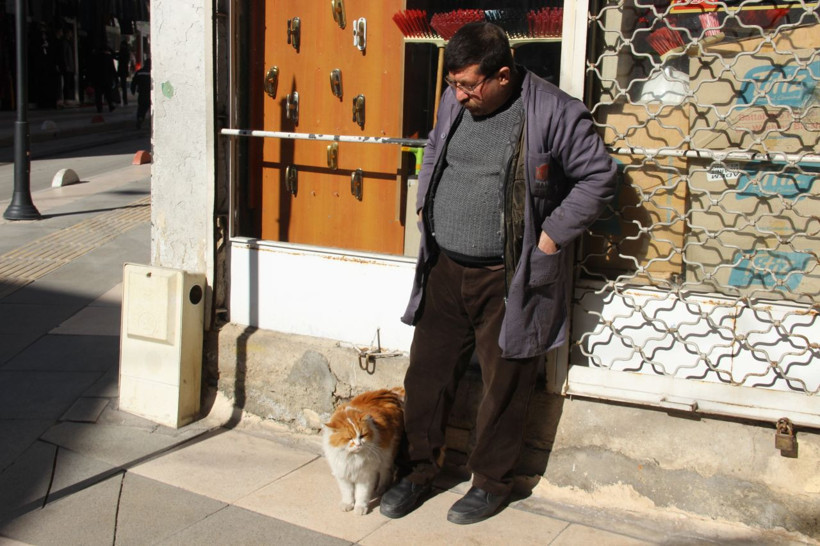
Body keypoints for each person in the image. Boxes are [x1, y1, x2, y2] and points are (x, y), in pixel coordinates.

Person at [379, 22, 617, 525]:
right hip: (444, 267)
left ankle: (491, 483)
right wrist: (425, 204)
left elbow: (599, 176)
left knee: (502, 384)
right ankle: (420, 470)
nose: (458, 95)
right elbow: (433, 148)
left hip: (508, 274)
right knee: (427, 376)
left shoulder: (553, 111)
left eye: (468, 85)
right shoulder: (455, 102)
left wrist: (550, 237)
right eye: (453, 84)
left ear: (503, 75)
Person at [130, 59, 151, 129]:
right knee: (151, 109)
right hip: (150, 94)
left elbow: (133, 82)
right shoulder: (153, 72)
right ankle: (151, 122)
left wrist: (132, 90)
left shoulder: (139, 72)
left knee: (141, 108)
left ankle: (140, 118)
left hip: (142, 94)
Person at [117, 40, 132, 105]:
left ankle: (124, 100)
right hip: (124, 70)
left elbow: (120, 58)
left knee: (123, 86)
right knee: (123, 86)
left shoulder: (123, 52)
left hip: (122, 70)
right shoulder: (126, 52)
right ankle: (124, 100)